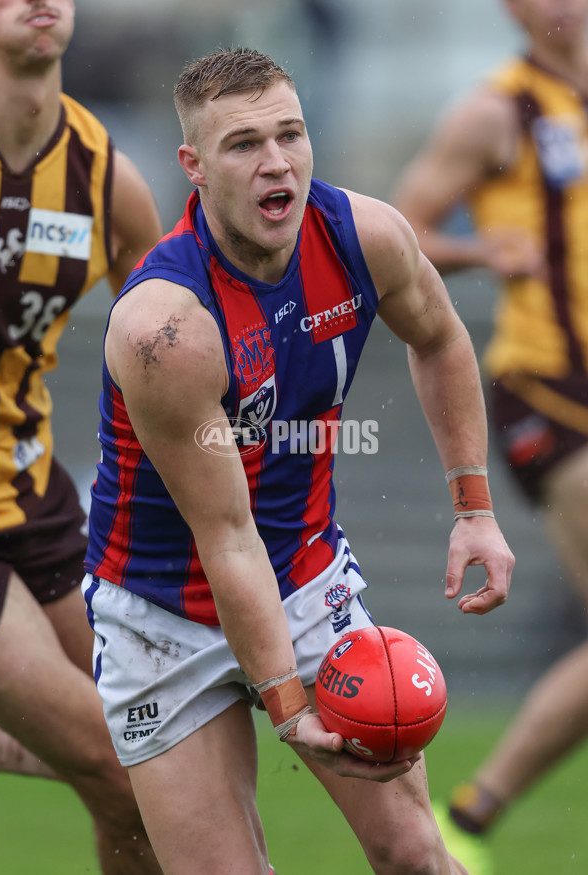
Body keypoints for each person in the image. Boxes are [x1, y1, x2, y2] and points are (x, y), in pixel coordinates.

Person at [82, 46, 514, 875]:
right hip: (161, 613)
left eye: (291, 133)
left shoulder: (367, 235)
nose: (276, 161)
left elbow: (443, 336)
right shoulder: (163, 330)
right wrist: (285, 703)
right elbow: (227, 534)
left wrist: (475, 509)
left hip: (305, 573)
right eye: (244, 144)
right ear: (194, 166)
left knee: (417, 857)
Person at [392, 0, 588, 839]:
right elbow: (400, 229)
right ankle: (472, 814)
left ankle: (470, 814)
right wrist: (484, 251)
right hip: (548, 389)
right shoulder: (496, 110)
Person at [0, 1, 164, 871]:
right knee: (119, 756)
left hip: (32, 493)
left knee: (141, 778)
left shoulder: (103, 176)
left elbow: (171, 348)